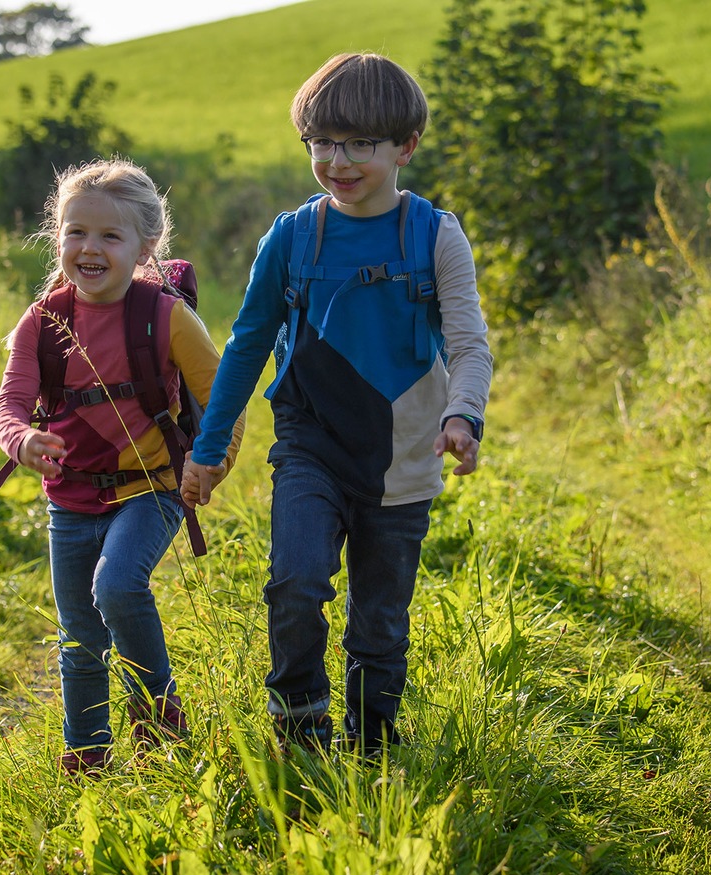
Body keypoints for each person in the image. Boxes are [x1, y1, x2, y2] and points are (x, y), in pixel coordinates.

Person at [181, 53, 493, 758]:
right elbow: (247, 343)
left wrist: (462, 415)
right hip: (309, 442)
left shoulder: (436, 235)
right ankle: (300, 730)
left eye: (358, 144)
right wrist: (208, 449)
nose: (336, 160)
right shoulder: (292, 236)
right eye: (321, 143)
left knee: (378, 621)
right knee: (294, 581)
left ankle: (374, 741)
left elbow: (469, 344)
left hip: (404, 454)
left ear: (405, 146)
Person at [0, 158, 244, 775]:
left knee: (117, 585)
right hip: (69, 501)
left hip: (152, 489)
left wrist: (210, 464)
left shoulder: (166, 316)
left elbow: (224, 400)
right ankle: (87, 757)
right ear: (58, 238)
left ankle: (158, 714)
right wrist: (20, 439)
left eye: (110, 235)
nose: (90, 247)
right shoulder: (42, 323)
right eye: (76, 232)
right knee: (79, 640)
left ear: (144, 246)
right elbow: (9, 404)